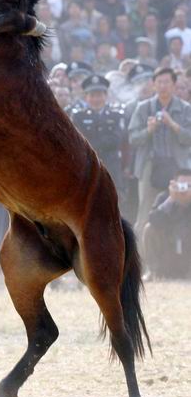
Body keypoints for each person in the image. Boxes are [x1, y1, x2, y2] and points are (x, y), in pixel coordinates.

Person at [129, 67, 191, 243]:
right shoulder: (143, 108)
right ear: (154, 85)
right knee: (145, 211)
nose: (163, 86)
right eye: (160, 82)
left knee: (183, 210)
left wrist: (173, 125)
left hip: (179, 168)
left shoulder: (186, 109)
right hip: (150, 166)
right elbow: (133, 139)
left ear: (174, 85)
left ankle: (182, 259)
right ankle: (141, 260)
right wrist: (148, 130)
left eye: (167, 82)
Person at [72, 74, 125, 194]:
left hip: (111, 166)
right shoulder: (78, 116)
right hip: (88, 166)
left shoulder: (116, 115)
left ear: (106, 96)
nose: (96, 99)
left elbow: (116, 140)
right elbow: (78, 141)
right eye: (92, 95)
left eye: (99, 95)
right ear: (86, 97)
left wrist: (92, 143)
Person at [143, 168, 191, 278]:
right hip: (168, 253)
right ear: (174, 185)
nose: (184, 190)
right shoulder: (164, 197)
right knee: (149, 228)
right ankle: (153, 271)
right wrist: (171, 200)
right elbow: (152, 220)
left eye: (189, 186)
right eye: (181, 186)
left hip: (188, 256)